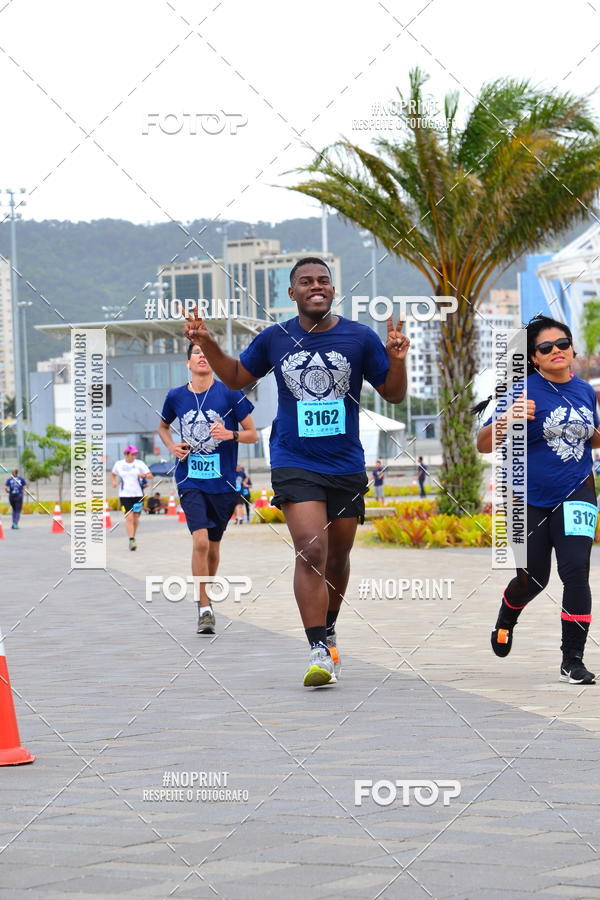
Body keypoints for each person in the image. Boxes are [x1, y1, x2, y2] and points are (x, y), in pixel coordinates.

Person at [184, 257, 410, 686]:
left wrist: (396, 359)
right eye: (306, 281)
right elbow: (234, 376)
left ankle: (328, 627)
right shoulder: (275, 338)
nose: (316, 286)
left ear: (332, 289)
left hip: (344, 462)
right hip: (293, 459)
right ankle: (318, 650)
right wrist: (207, 342)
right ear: (293, 294)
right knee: (311, 549)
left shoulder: (359, 338)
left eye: (323, 280)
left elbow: (393, 394)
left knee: (339, 556)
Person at [476, 315, 600, 685]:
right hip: (527, 498)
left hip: (578, 489)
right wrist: (507, 420)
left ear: (572, 348)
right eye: (546, 348)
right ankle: (507, 614)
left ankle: (572, 660)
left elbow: (589, 437)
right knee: (533, 579)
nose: (557, 351)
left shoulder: (584, 391)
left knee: (576, 571)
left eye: (562, 344)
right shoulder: (520, 392)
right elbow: (484, 444)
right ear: (534, 358)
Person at [158, 343, 258, 635]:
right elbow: (163, 427)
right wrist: (171, 446)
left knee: (213, 546)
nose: (202, 357)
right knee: (200, 542)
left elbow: (253, 434)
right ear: (187, 362)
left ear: (213, 361)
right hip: (190, 480)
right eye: (196, 353)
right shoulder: (176, 396)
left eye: (206, 353)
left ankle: (207, 599)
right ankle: (203, 607)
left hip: (223, 482)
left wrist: (231, 434)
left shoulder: (229, 393)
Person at [111, 446, 152, 551]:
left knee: (136, 518)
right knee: (129, 517)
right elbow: (113, 474)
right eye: (132, 454)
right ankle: (131, 539)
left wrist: (142, 475)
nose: (134, 456)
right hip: (124, 495)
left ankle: (133, 535)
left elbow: (150, 475)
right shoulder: (119, 464)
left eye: (135, 454)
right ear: (127, 454)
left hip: (138, 495)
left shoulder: (139, 463)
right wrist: (114, 481)